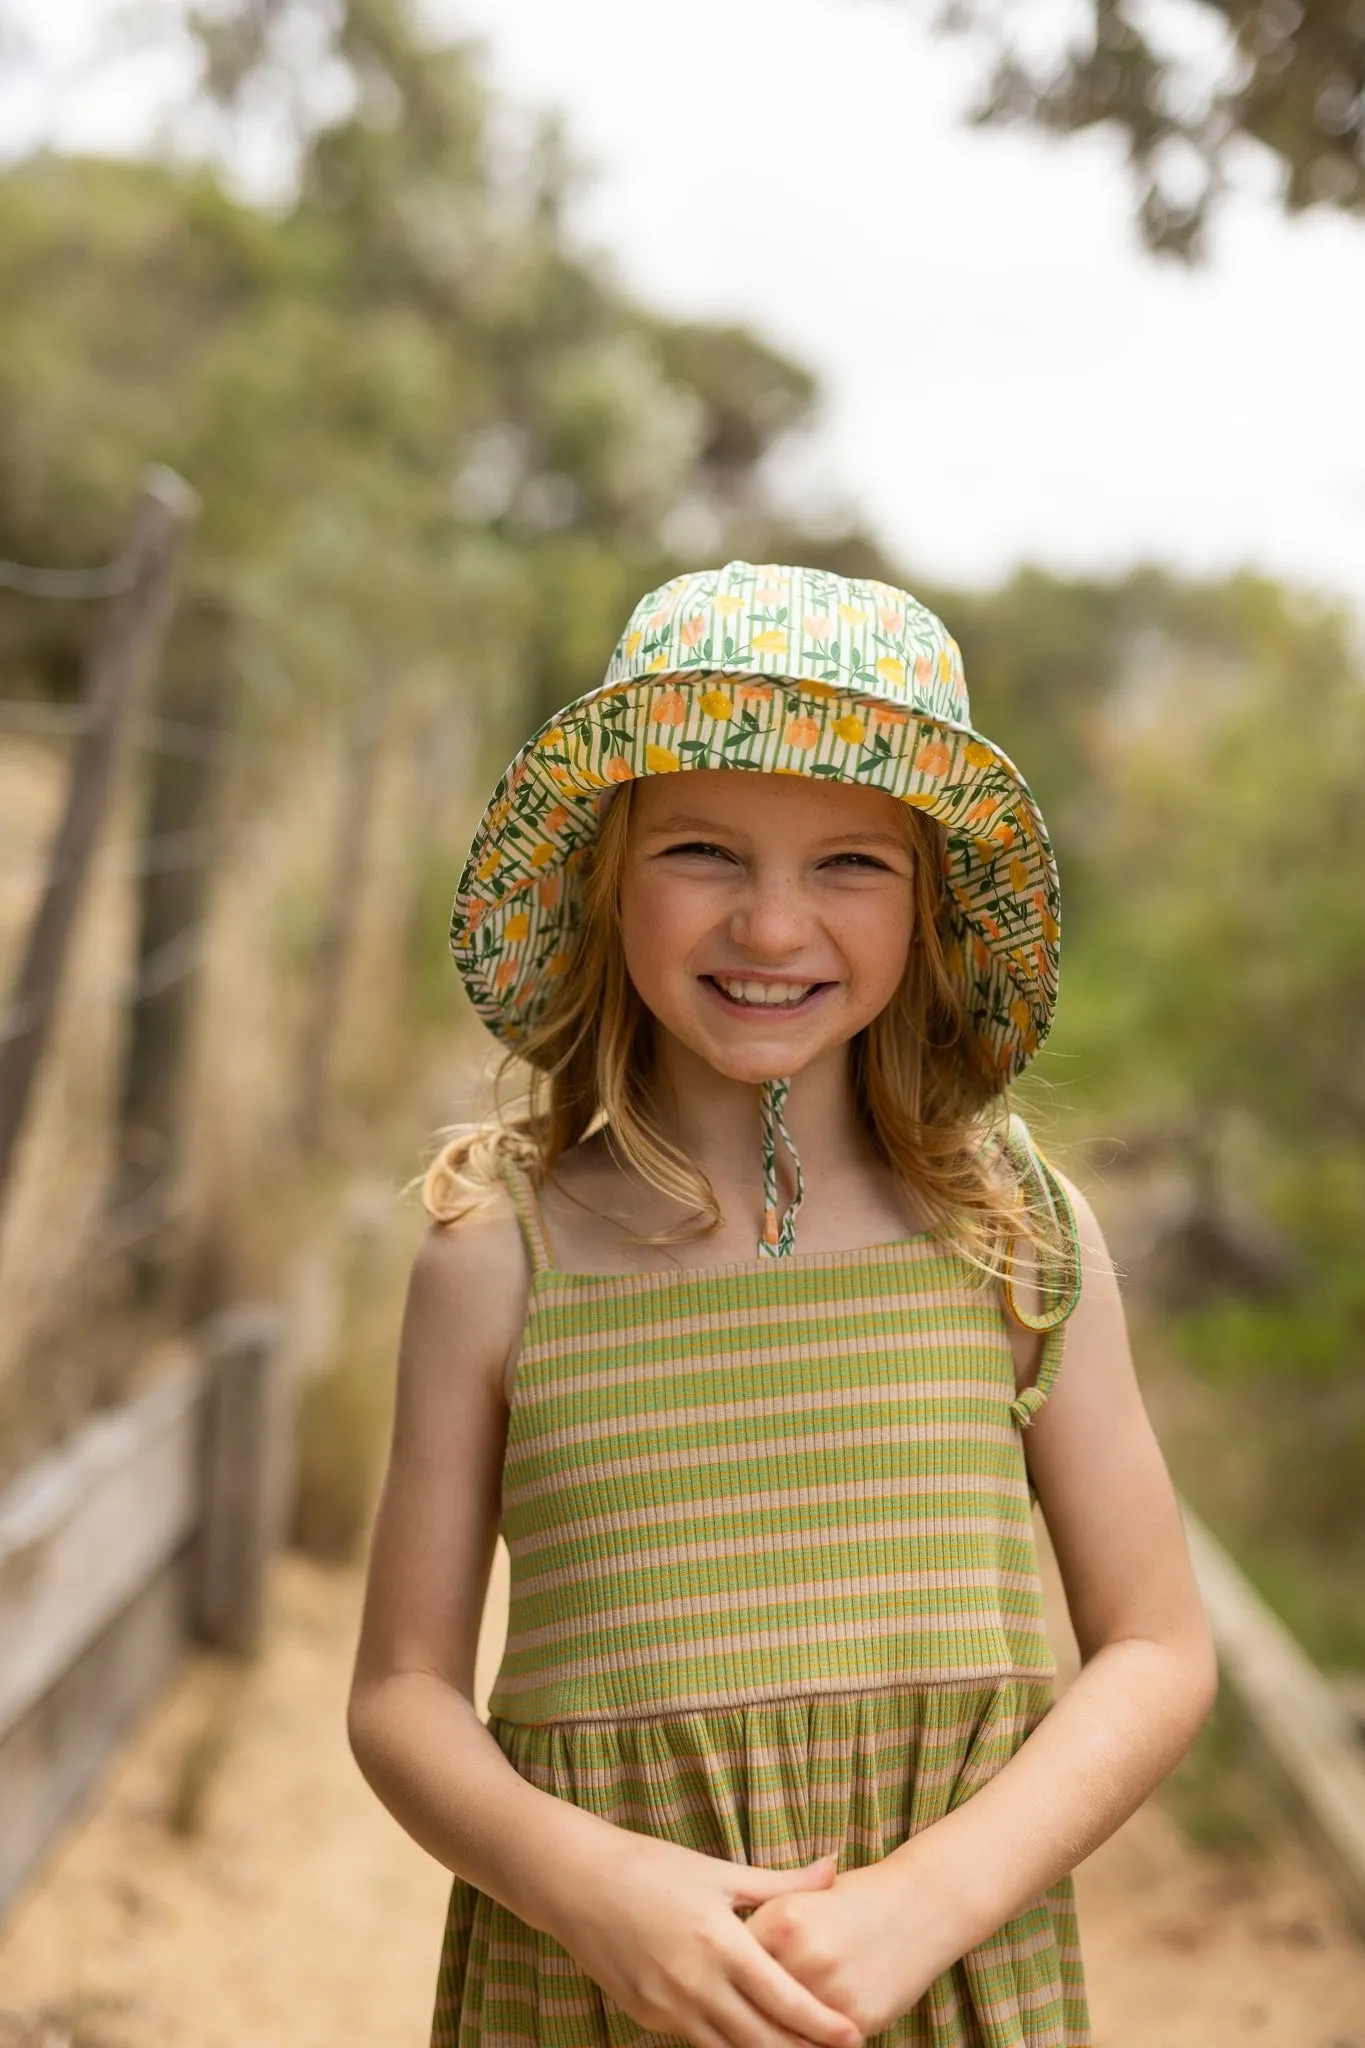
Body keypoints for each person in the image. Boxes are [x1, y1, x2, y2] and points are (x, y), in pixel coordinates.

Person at [347, 560, 1218, 2048]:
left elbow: (1157, 1650)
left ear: (932, 904)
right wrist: (594, 1886)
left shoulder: (1011, 1240)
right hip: (595, 1994)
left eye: (850, 865)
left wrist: (925, 1903)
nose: (770, 926)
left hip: (935, 1992)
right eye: (702, 851)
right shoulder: (501, 1254)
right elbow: (402, 1697)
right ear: (607, 872)